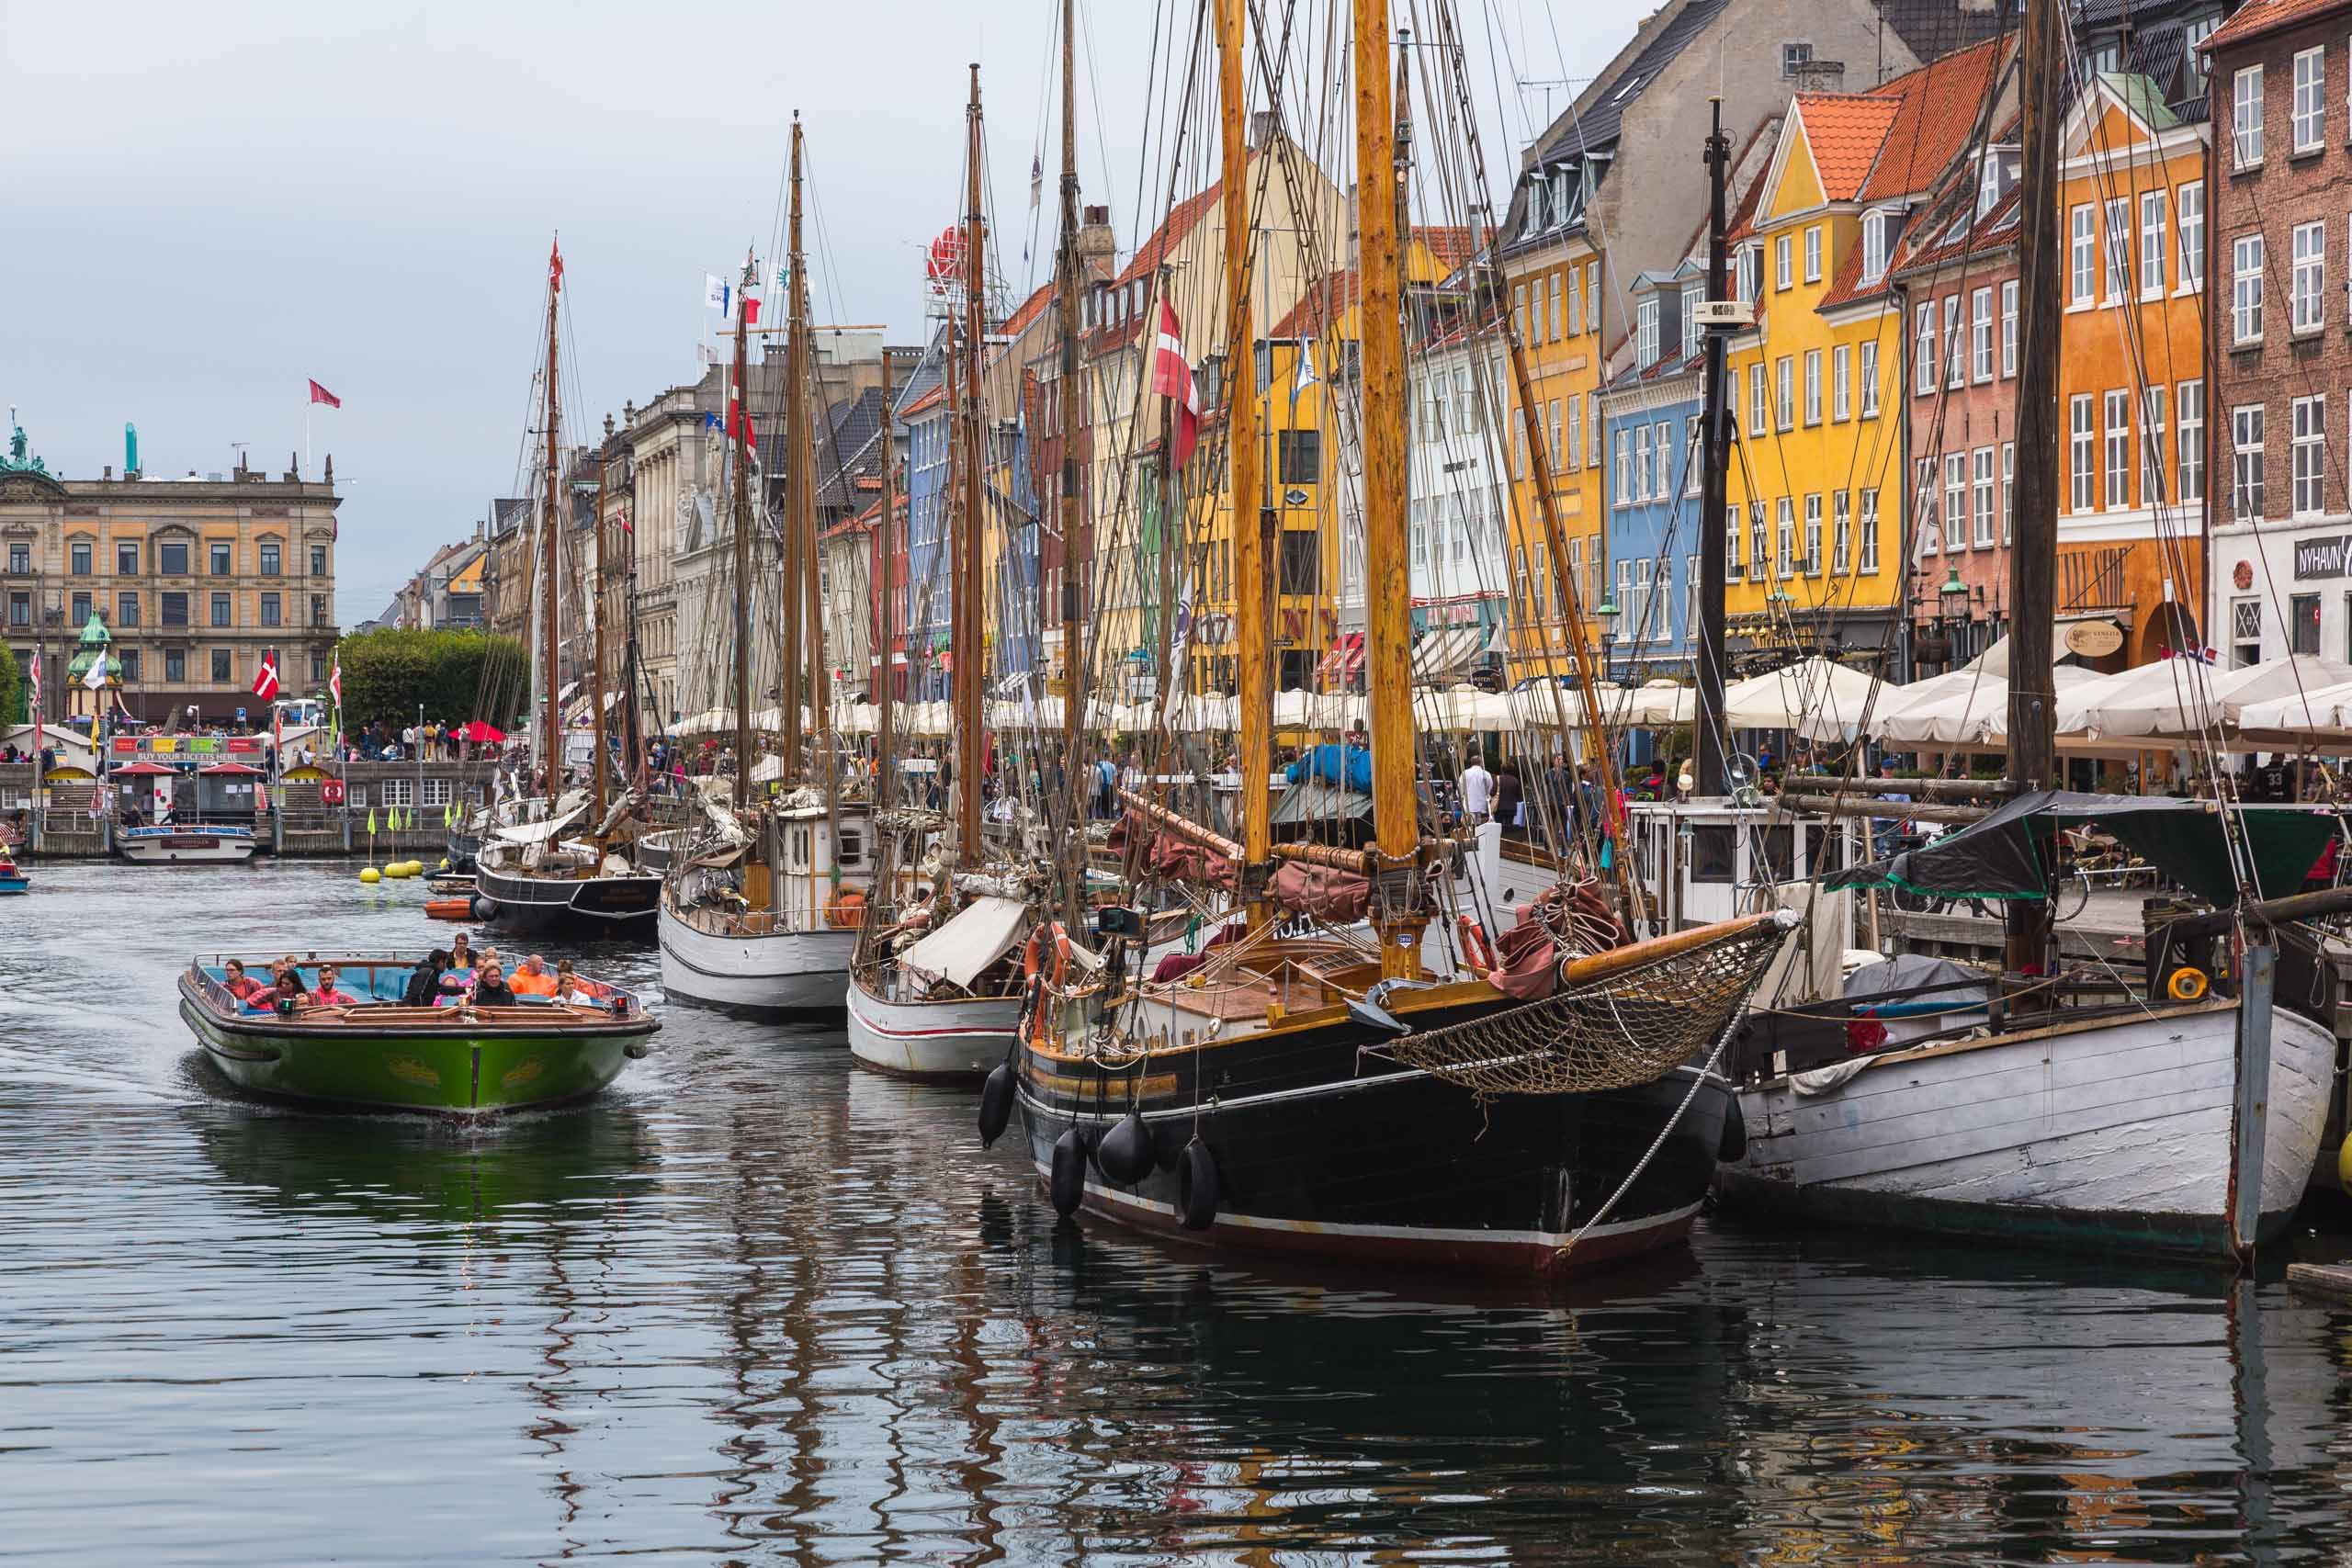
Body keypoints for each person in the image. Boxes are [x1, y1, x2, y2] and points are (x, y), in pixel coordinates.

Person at [1460, 750, 1495, 825]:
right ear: (1481, 763)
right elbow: (1490, 788)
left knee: (1469, 827)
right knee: (1480, 828)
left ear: (1471, 763)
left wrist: (1460, 797)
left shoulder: (1465, 773)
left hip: (1468, 806)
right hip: (1481, 806)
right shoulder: (1486, 774)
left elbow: (1460, 788)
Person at [1493, 761, 1522, 835]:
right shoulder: (1515, 780)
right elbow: (1519, 797)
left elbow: (1492, 792)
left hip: (1499, 807)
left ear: (1502, 770)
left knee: (1498, 827)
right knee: (1509, 828)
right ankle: (1508, 841)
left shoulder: (1498, 779)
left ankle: (1500, 841)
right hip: (1511, 808)